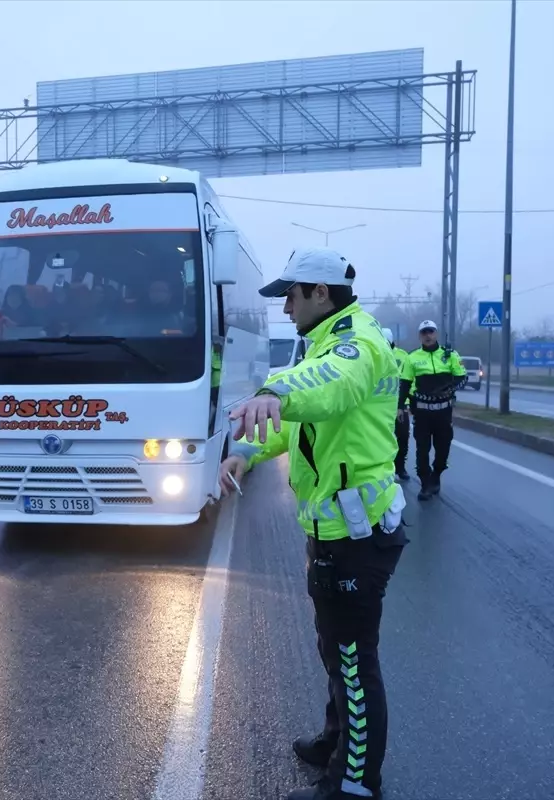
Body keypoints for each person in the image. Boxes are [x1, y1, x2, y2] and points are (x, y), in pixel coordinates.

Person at [219, 247, 407, 800]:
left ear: (320, 293)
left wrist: (277, 389)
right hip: (335, 533)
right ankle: (336, 741)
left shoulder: (357, 342)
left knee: (352, 659)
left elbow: (332, 385)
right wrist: (249, 454)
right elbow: (302, 425)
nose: (285, 309)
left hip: (357, 535)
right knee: (335, 648)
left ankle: (354, 783)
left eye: (291, 296)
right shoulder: (325, 340)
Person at [401, 320, 468, 500]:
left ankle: (436, 475)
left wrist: (448, 389)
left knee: (442, 448)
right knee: (422, 449)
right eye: (424, 332)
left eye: (430, 332)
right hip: (422, 413)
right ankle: (425, 484)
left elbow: (462, 377)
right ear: (419, 336)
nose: (428, 335)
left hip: (443, 413)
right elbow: (404, 384)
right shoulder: (412, 357)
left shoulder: (450, 355)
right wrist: (401, 406)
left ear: (436, 333)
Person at [384, 327, 411, 483]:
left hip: (400, 405)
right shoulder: (376, 353)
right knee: (381, 439)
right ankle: (384, 468)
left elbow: (408, 379)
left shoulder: (403, 356)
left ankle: (400, 467)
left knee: (403, 437)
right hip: (381, 406)